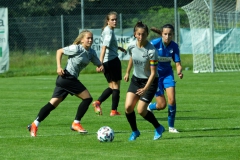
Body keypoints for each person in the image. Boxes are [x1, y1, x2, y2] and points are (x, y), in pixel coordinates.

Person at [27, 30, 104, 137]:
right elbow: (59, 51)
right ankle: (76, 123)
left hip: (66, 80)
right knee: (87, 98)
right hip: (67, 77)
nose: (90, 40)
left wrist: (101, 67)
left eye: (92, 38)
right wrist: (58, 67)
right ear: (82, 40)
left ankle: (34, 124)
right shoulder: (76, 48)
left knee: (52, 104)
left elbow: (99, 64)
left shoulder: (91, 52)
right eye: (88, 38)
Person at [124, 21, 165, 141]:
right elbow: (132, 57)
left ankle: (158, 127)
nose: (141, 37)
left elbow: (153, 73)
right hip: (136, 80)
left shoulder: (152, 51)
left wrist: (145, 88)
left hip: (150, 82)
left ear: (147, 34)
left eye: (144, 34)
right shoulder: (132, 45)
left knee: (141, 110)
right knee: (128, 107)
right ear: (135, 34)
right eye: (139, 34)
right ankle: (135, 131)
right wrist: (127, 72)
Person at [147, 24, 183, 133]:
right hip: (155, 76)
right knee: (162, 105)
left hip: (168, 75)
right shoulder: (154, 44)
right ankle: (150, 107)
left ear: (173, 35)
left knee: (172, 100)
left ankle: (171, 127)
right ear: (162, 34)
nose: (167, 36)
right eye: (165, 34)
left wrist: (179, 71)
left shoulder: (174, 46)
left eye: (170, 34)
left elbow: (177, 63)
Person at [92, 11, 126, 116]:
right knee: (116, 87)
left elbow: (108, 45)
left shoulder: (108, 30)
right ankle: (113, 111)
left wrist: (118, 48)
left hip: (108, 61)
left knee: (112, 87)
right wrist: (100, 63)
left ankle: (98, 102)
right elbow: (103, 47)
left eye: (116, 19)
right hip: (111, 61)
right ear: (108, 21)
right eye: (112, 19)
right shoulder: (109, 32)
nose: (115, 21)